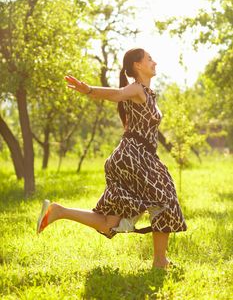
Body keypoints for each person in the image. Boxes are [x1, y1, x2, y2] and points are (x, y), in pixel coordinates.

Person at [37, 48, 187, 269]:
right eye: (149, 59)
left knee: (110, 223)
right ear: (138, 65)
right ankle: (160, 261)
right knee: (165, 199)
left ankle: (59, 211)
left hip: (128, 157)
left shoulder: (145, 93)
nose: (154, 62)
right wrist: (88, 90)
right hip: (134, 156)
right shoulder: (137, 88)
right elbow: (116, 95)